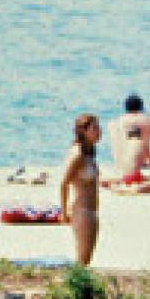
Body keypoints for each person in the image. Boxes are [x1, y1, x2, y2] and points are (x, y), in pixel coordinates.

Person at [60, 113, 100, 266]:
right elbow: (64, 183)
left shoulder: (88, 152)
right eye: (94, 128)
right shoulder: (77, 154)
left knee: (85, 260)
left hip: (90, 211)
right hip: (82, 211)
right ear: (83, 131)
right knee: (83, 260)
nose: (99, 131)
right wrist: (64, 213)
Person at [111, 92, 150, 183]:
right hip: (144, 161)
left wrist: (118, 161)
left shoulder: (118, 121)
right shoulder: (149, 120)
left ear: (126, 108)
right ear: (141, 107)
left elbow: (116, 142)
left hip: (123, 165)